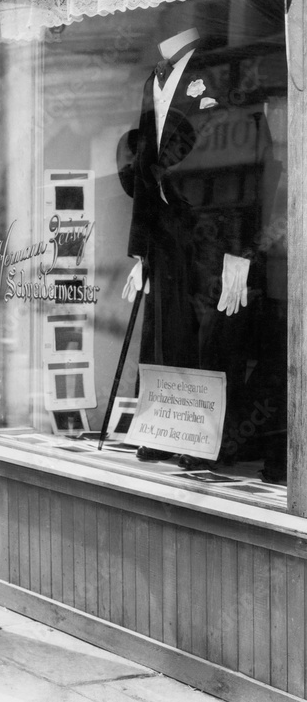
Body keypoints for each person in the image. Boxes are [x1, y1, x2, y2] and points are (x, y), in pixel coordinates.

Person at [120, 27, 280, 469]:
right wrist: (141, 250)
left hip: (217, 227)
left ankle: (209, 440)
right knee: (166, 330)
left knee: (212, 333)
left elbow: (252, 158)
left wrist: (243, 250)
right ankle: (165, 430)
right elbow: (143, 168)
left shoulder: (222, 69)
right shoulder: (152, 79)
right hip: (167, 230)